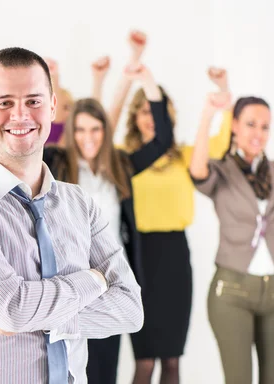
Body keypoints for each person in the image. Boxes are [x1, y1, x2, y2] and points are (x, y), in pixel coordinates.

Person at [0, 47, 144, 384]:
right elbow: (11, 308)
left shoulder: (80, 204)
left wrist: (48, 316)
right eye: (4, 102)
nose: (20, 115)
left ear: (53, 107)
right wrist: (95, 281)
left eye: (34, 101)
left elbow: (130, 310)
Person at [43, 62, 173, 384]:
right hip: (69, 281)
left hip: (111, 281)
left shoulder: (120, 165)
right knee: (66, 368)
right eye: (81, 129)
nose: (89, 138)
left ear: (106, 131)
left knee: (105, 372)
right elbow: (35, 130)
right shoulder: (55, 162)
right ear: (70, 132)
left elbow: (162, 141)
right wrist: (51, 83)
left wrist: (147, 80)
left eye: (96, 129)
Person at [189, 93, 274, 384]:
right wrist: (207, 116)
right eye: (251, 124)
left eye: (265, 127)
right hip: (231, 291)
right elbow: (197, 171)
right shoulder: (222, 171)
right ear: (235, 126)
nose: (258, 133)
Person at [112, 67, 232, 384]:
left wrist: (223, 89)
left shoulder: (184, 158)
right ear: (135, 117)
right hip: (138, 257)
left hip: (176, 257)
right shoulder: (125, 158)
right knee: (145, 361)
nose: (150, 117)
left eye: (158, 111)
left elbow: (222, 142)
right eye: (144, 110)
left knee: (173, 362)